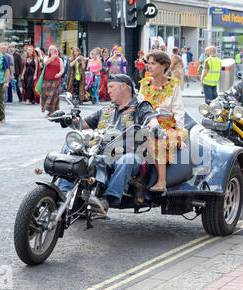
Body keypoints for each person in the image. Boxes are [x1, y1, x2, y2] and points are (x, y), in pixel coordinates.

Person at [59, 74, 166, 215]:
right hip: (99, 151)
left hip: (127, 153)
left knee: (127, 160)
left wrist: (156, 127)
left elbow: (151, 119)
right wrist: (68, 120)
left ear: (123, 86)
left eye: (111, 87)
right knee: (71, 147)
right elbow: (82, 124)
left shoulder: (140, 106)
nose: (107, 90)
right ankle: (62, 192)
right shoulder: (107, 109)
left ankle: (107, 199)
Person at [138, 50, 187, 192]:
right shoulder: (144, 84)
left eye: (153, 63)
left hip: (166, 126)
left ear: (164, 66)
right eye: (148, 63)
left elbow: (178, 110)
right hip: (145, 124)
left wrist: (180, 134)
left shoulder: (173, 85)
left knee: (156, 139)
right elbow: (139, 106)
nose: (149, 66)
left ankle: (162, 182)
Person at [41, 45, 64, 116]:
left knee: (54, 96)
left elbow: (62, 69)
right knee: (46, 96)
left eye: (54, 50)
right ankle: (49, 110)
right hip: (47, 80)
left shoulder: (60, 59)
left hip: (56, 80)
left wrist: (59, 74)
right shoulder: (46, 58)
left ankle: (52, 111)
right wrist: (52, 58)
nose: (53, 51)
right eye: (51, 50)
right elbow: (45, 63)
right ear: (49, 51)